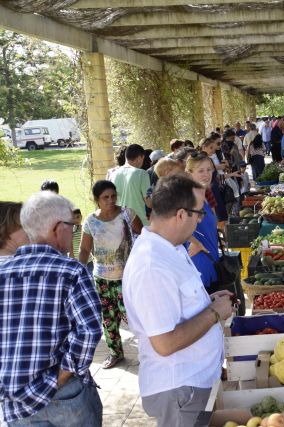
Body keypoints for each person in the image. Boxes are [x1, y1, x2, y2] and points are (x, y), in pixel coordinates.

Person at [122, 174, 235, 427]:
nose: (200, 221)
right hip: (181, 389)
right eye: (199, 214)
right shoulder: (152, 265)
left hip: (194, 383)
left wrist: (208, 301)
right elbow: (165, 342)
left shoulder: (171, 247)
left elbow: (178, 307)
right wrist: (214, 313)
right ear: (182, 215)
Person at [0, 191, 103, 425]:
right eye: (72, 227)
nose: (73, 233)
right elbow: (89, 330)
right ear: (58, 228)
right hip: (66, 393)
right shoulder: (72, 271)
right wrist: (61, 377)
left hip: (16, 401)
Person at [79, 180, 143, 369]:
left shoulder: (127, 214)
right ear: (97, 199)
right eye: (105, 197)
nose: (110, 200)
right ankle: (115, 353)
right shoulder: (90, 221)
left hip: (127, 278)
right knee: (108, 319)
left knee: (134, 317)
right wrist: (79, 273)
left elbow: (143, 237)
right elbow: (84, 249)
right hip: (102, 279)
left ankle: (148, 353)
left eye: (113, 196)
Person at [184, 153, 222, 292]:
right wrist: (196, 243)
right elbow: (179, 227)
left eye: (209, 169)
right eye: (200, 171)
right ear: (189, 173)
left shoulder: (203, 193)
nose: (206, 174)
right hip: (200, 260)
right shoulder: (191, 196)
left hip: (210, 255)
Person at [109, 143, 152, 226]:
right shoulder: (142, 174)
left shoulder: (113, 174)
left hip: (119, 223)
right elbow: (149, 203)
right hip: (139, 223)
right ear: (140, 157)